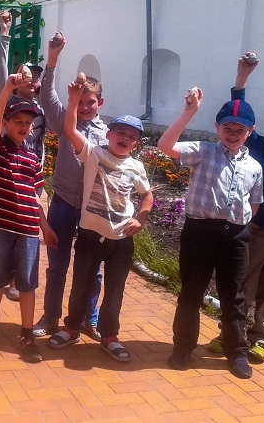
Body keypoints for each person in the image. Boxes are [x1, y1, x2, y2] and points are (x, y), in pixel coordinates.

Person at [159, 88, 263, 379]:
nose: (233, 134)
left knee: (235, 297)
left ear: (250, 131)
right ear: (217, 127)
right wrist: (189, 112)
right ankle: (182, 348)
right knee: (191, 293)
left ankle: (236, 352)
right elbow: (165, 145)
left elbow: (254, 204)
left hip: (235, 238)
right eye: (227, 128)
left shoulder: (254, 167)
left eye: (240, 130)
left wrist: (236, 225)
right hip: (200, 233)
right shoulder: (203, 152)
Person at [48, 77, 152, 362]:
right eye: (120, 132)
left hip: (121, 241)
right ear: (108, 134)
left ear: (136, 144)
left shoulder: (136, 167)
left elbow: (147, 196)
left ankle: (109, 336)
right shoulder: (93, 154)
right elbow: (70, 129)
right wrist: (73, 100)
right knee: (80, 285)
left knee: (114, 292)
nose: (124, 138)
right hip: (90, 237)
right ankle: (71, 328)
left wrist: (140, 219)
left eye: (131, 136)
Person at [0, 73, 58, 364]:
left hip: (29, 231)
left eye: (28, 123)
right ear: (7, 124)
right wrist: (8, 88)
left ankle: (26, 334)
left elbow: (35, 197)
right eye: (17, 121)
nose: (23, 126)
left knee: (27, 284)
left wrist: (45, 227)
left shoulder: (33, 158)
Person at [34, 35, 107, 342]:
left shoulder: (109, 134)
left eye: (91, 102)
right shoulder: (66, 122)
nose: (86, 107)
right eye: (82, 101)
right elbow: (46, 96)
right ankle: (51, 317)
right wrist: (52, 59)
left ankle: (89, 319)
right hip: (63, 203)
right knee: (57, 265)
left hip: (92, 209)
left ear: (100, 103)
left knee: (93, 269)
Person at [207, 56, 264, 363]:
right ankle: (230, 333)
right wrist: (242, 78)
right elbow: (239, 113)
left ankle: (261, 338)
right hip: (258, 232)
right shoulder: (260, 147)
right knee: (242, 284)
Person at [0, 10, 47, 302]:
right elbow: (0, 75)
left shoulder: (41, 109)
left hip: (33, 173)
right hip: (11, 171)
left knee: (29, 226)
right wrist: (4, 35)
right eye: (29, 77)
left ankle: (19, 278)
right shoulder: (11, 102)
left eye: (37, 79)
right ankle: (4, 272)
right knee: (10, 222)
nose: (33, 81)